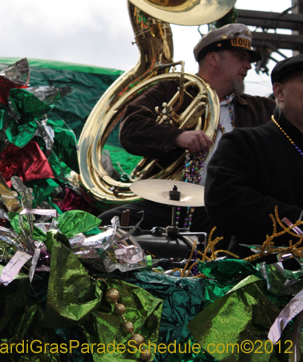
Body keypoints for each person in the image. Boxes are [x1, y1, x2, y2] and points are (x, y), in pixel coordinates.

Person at [99, 24, 275, 233]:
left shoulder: (263, 108)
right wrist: (177, 136)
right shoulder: (170, 89)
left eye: (248, 60)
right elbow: (131, 128)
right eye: (240, 57)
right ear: (213, 59)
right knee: (108, 223)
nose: (248, 66)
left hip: (229, 208)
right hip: (168, 203)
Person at [205, 54, 303, 249]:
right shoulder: (245, 142)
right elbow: (225, 201)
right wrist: (298, 220)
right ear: (280, 92)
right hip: (264, 268)